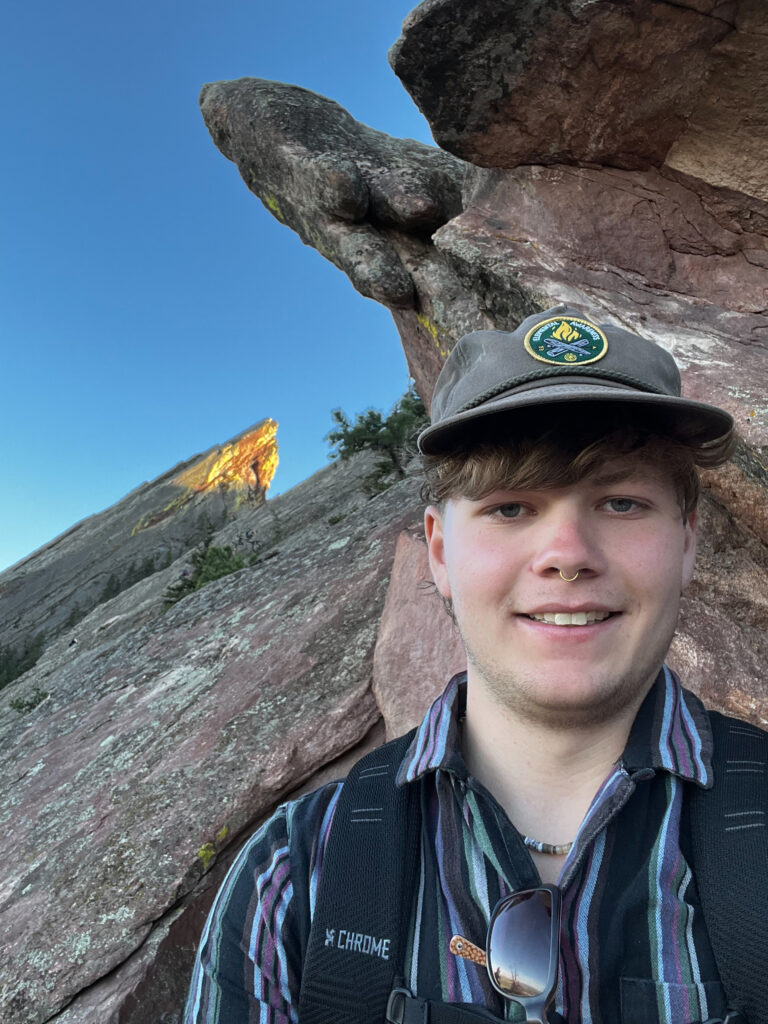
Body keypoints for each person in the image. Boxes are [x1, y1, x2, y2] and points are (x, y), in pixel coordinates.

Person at [184, 306, 761, 1024]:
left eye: (621, 501)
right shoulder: (291, 880)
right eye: (511, 508)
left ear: (688, 540)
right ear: (438, 552)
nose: (567, 553)